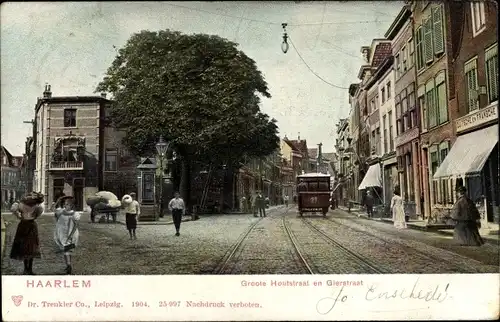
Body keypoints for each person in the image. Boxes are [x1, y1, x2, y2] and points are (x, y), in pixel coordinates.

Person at [10, 192, 44, 275]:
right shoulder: (37, 206)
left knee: (25, 246)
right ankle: (29, 269)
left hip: (23, 224)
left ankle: (26, 269)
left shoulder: (21, 204)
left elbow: (13, 210)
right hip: (31, 224)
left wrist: (19, 216)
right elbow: (38, 214)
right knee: (31, 247)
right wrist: (33, 216)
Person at [54, 196, 81, 274]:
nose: (65, 206)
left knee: (67, 250)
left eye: (67, 204)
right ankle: (68, 265)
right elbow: (54, 210)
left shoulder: (74, 214)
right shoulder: (61, 211)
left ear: (71, 205)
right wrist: (58, 200)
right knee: (66, 251)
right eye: (65, 204)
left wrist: (71, 235)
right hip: (62, 233)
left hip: (70, 233)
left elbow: (76, 226)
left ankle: (69, 266)